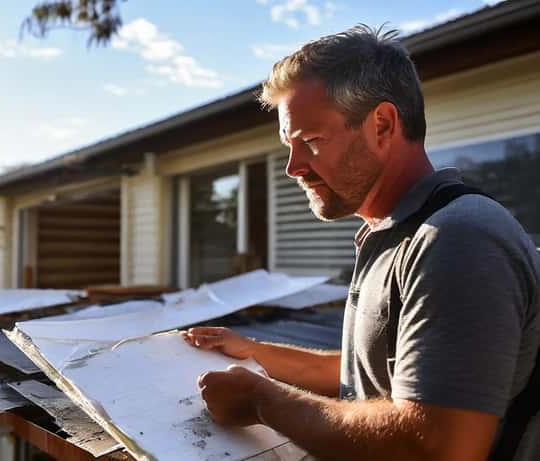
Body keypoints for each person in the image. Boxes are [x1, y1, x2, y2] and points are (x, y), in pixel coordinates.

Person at [183, 25, 540, 461]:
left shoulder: (457, 239)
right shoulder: (391, 231)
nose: (293, 168)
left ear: (382, 124)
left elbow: (439, 448)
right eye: (288, 146)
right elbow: (371, 372)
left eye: (311, 142)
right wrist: (256, 353)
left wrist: (262, 401)